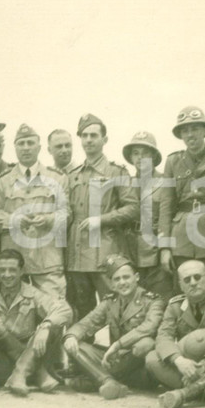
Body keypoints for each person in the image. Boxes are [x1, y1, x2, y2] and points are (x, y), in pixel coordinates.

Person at [62, 255, 165, 400]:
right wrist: (71, 336)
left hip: (138, 365)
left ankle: (96, 379)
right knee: (75, 344)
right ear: (112, 284)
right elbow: (87, 322)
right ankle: (108, 381)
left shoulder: (153, 300)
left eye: (126, 277)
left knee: (146, 344)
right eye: (117, 279)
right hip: (115, 359)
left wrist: (118, 345)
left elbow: (150, 327)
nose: (122, 282)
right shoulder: (110, 301)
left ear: (136, 277)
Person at [67, 114, 139, 319]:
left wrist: (101, 219)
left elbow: (132, 208)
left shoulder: (116, 172)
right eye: (84, 136)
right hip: (77, 257)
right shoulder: (73, 175)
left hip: (105, 255)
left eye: (94, 135)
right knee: (82, 313)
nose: (89, 140)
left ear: (104, 140)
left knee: (117, 309)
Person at [0, 249, 72, 396]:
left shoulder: (33, 293)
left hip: (30, 354)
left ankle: (20, 374)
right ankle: (38, 373)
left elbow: (65, 310)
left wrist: (45, 327)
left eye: (12, 270)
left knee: (52, 325)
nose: (7, 275)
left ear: (22, 271)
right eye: (2, 270)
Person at [147, 260, 205, 408]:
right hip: (187, 365)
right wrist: (179, 361)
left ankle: (193, 392)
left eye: (197, 277)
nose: (193, 283)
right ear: (180, 284)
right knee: (151, 358)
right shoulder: (174, 305)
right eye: (187, 279)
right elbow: (163, 337)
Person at [158, 106, 205, 293]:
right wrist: (165, 247)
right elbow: (166, 205)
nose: (190, 134)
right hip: (181, 238)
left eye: (195, 129)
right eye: (185, 130)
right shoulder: (173, 161)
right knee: (184, 291)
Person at [0, 124, 70, 298]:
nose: (26, 148)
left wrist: (48, 219)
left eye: (30, 143)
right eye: (21, 143)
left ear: (40, 147)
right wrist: (14, 220)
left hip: (47, 259)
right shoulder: (3, 180)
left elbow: (66, 214)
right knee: (13, 315)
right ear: (15, 148)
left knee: (54, 310)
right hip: (13, 263)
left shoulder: (57, 177)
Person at [121, 131, 174, 301]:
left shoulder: (165, 181)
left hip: (155, 252)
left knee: (160, 300)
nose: (140, 157)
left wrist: (165, 249)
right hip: (130, 251)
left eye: (145, 153)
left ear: (154, 156)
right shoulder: (125, 183)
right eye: (135, 153)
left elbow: (168, 216)